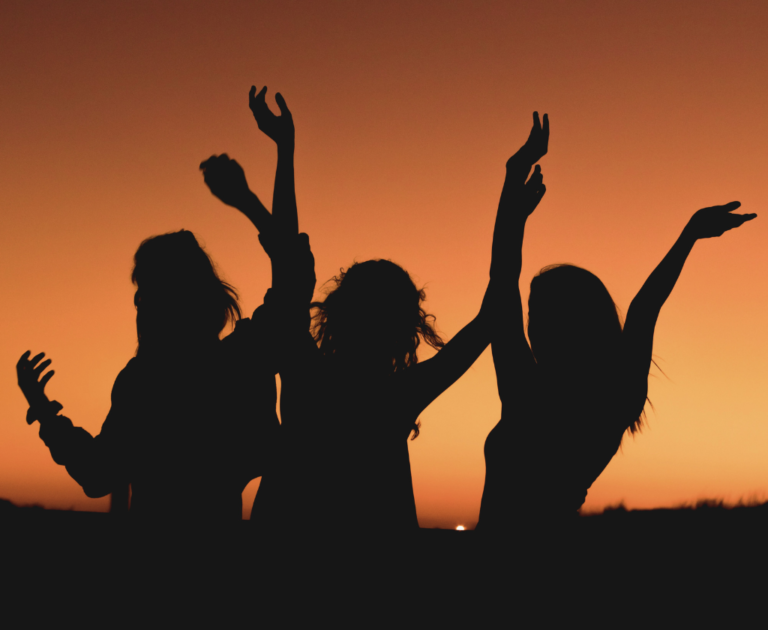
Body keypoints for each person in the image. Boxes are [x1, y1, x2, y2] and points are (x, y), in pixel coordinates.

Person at [206, 86, 502, 531]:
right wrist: (512, 214)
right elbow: (492, 315)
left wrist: (277, 161)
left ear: (339, 311)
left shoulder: (307, 370)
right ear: (405, 327)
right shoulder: (398, 394)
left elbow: (288, 267)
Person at [478, 112, 757, 529]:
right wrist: (688, 236)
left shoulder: (526, 390)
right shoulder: (614, 397)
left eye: (541, 314)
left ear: (571, 322)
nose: (531, 326)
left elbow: (502, 278)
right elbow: (644, 308)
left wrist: (513, 186)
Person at [17, 98, 290, 518]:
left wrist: (43, 409)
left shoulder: (145, 381)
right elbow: (292, 279)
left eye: (147, 288)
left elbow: (96, 473)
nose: (139, 300)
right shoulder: (234, 361)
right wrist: (255, 191)